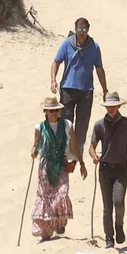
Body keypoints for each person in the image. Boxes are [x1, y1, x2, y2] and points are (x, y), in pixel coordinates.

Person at [89, 92, 127, 249]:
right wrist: (94, 157)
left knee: (118, 201)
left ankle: (119, 225)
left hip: (121, 169)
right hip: (104, 169)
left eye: (113, 106)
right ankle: (108, 237)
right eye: (108, 107)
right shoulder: (99, 125)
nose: (110, 109)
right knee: (106, 206)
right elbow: (92, 147)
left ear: (118, 106)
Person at [32, 96, 87, 240]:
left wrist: (81, 162)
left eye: (56, 110)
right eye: (51, 111)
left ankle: (59, 223)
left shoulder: (67, 125)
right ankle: (46, 230)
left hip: (62, 163)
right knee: (47, 196)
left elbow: (74, 144)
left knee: (61, 194)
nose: (54, 113)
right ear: (45, 112)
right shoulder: (40, 127)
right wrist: (34, 151)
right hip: (46, 165)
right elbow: (36, 145)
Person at [51, 17, 108, 153]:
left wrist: (105, 89)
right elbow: (56, 62)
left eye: (84, 29)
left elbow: (99, 68)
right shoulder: (66, 44)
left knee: (82, 123)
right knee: (65, 121)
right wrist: (53, 80)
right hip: (67, 89)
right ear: (75, 29)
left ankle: (78, 150)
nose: (82, 32)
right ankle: (64, 150)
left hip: (86, 91)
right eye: (79, 29)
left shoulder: (94, 47)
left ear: (88, 29)